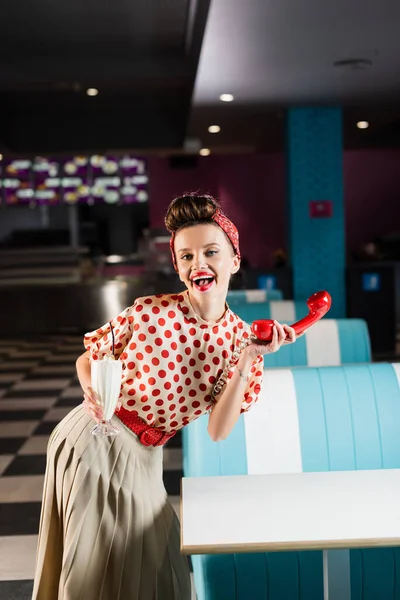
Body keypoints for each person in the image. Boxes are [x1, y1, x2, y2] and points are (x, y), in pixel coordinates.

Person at [32, 193, 298, 600]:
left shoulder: (242, 341)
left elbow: (218, 430)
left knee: (160, 568)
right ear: (177, 265)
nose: (198, 264)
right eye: (186, 256)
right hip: (95, 439)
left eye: (210, 252)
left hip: (146, 456)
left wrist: (246, 359)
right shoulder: (149, 311)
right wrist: (90, 386)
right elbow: (88, 357)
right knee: (89, 570)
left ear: (235, 261)